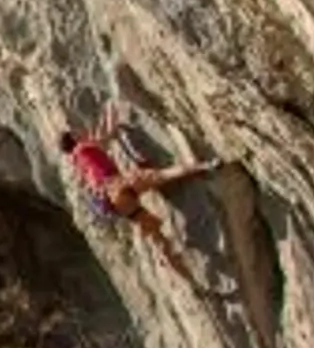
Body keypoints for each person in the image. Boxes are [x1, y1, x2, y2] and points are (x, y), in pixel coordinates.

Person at [60, 101, 217, 256]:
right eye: (76, 133)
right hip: (118, 185)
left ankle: (170, 261)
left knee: (154, 230)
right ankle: (202, 166)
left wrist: (106, 117)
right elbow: (107, 134)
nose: (80, 132)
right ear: (74, 137)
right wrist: (112, 111)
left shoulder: (77, 162)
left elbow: (101, 135)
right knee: (160, 175)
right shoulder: (84, 147)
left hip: (115, 203)